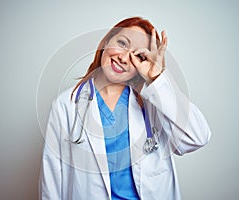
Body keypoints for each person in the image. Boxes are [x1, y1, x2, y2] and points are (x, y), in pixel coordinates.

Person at [40, 16, 211, 200]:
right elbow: (52, 178)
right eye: (122, 43)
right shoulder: (66, 104)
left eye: (138, 55)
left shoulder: (154, 102)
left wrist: (157, 79)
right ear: (106, 42)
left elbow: (197, 137)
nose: (123, 57)